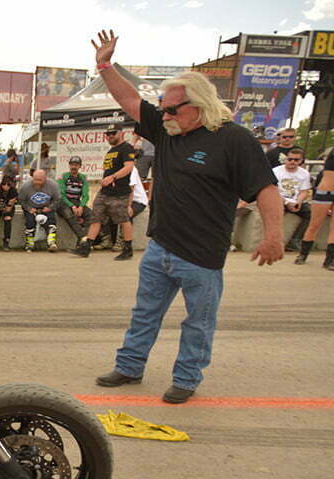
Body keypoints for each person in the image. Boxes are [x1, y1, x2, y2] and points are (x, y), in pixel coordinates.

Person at [88, 29, 283, 404]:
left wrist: (272, 236)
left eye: (172, 109)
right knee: (145, 313)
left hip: (202, 255)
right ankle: (129, 366)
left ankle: (187, 378)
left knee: (198, 322)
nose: (164, 114)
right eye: (162, 108)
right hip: (161, 247)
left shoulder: (234, 140)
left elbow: (265, 189)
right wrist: (104, 64)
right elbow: (128, 98)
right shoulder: (168, 131)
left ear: (200, 105)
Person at [72, 126, 136, 261]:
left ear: (121, 133)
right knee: (96, 218)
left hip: (120, 192)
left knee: (123, 219)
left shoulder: (126, 148)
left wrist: (112, 177)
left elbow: (129, 167)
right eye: (108, 134)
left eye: (113, 133)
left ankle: (128, 248)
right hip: (105, 192)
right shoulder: (111, 151)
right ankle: (86, 247)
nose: (110, 136)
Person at [295, 148, 334, 268]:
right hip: (326, 191)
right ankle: (303, 254)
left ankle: (330, 259)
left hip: (327, 190)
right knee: (314, 224)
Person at [272, 148, 312, 252]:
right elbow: (272, 190)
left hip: (296, 200)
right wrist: (286, 202)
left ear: (301, 161)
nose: (292, 162)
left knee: (311, 215)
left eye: (296, 160)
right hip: (279, 199)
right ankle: (275, 242)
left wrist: (298, 202)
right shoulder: (276, 171)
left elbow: (304, 191)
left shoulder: (304, 173)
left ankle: (295, 240)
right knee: (275, 216)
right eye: (290, 159)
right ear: (285, 159)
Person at [17, 170, 63, 252]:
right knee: (29, 221)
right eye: (35, 180)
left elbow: (58, 199)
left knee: (52, 220)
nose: (37, 182)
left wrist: (50, 207)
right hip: (31, 208)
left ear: (45, 178)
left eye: (40, 180)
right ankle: (29, 244)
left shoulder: (53, 185)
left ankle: (51, 242)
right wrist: (28, 208)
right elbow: (21, 200)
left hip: (47, 207)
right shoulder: (25, 186)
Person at [56, 156, 93, 247]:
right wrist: (72, 206)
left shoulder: (83, 178)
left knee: (92, 216)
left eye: (76, 165)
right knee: (69, 214)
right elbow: (61, 194)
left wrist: (81, 206)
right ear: (69, 165)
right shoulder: (63, 176)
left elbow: (85, 195)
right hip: (63, 202)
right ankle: (83, 238)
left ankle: (81, 243)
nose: (74, 167)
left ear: (80, 166)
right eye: (72, 164)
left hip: (77, 202)